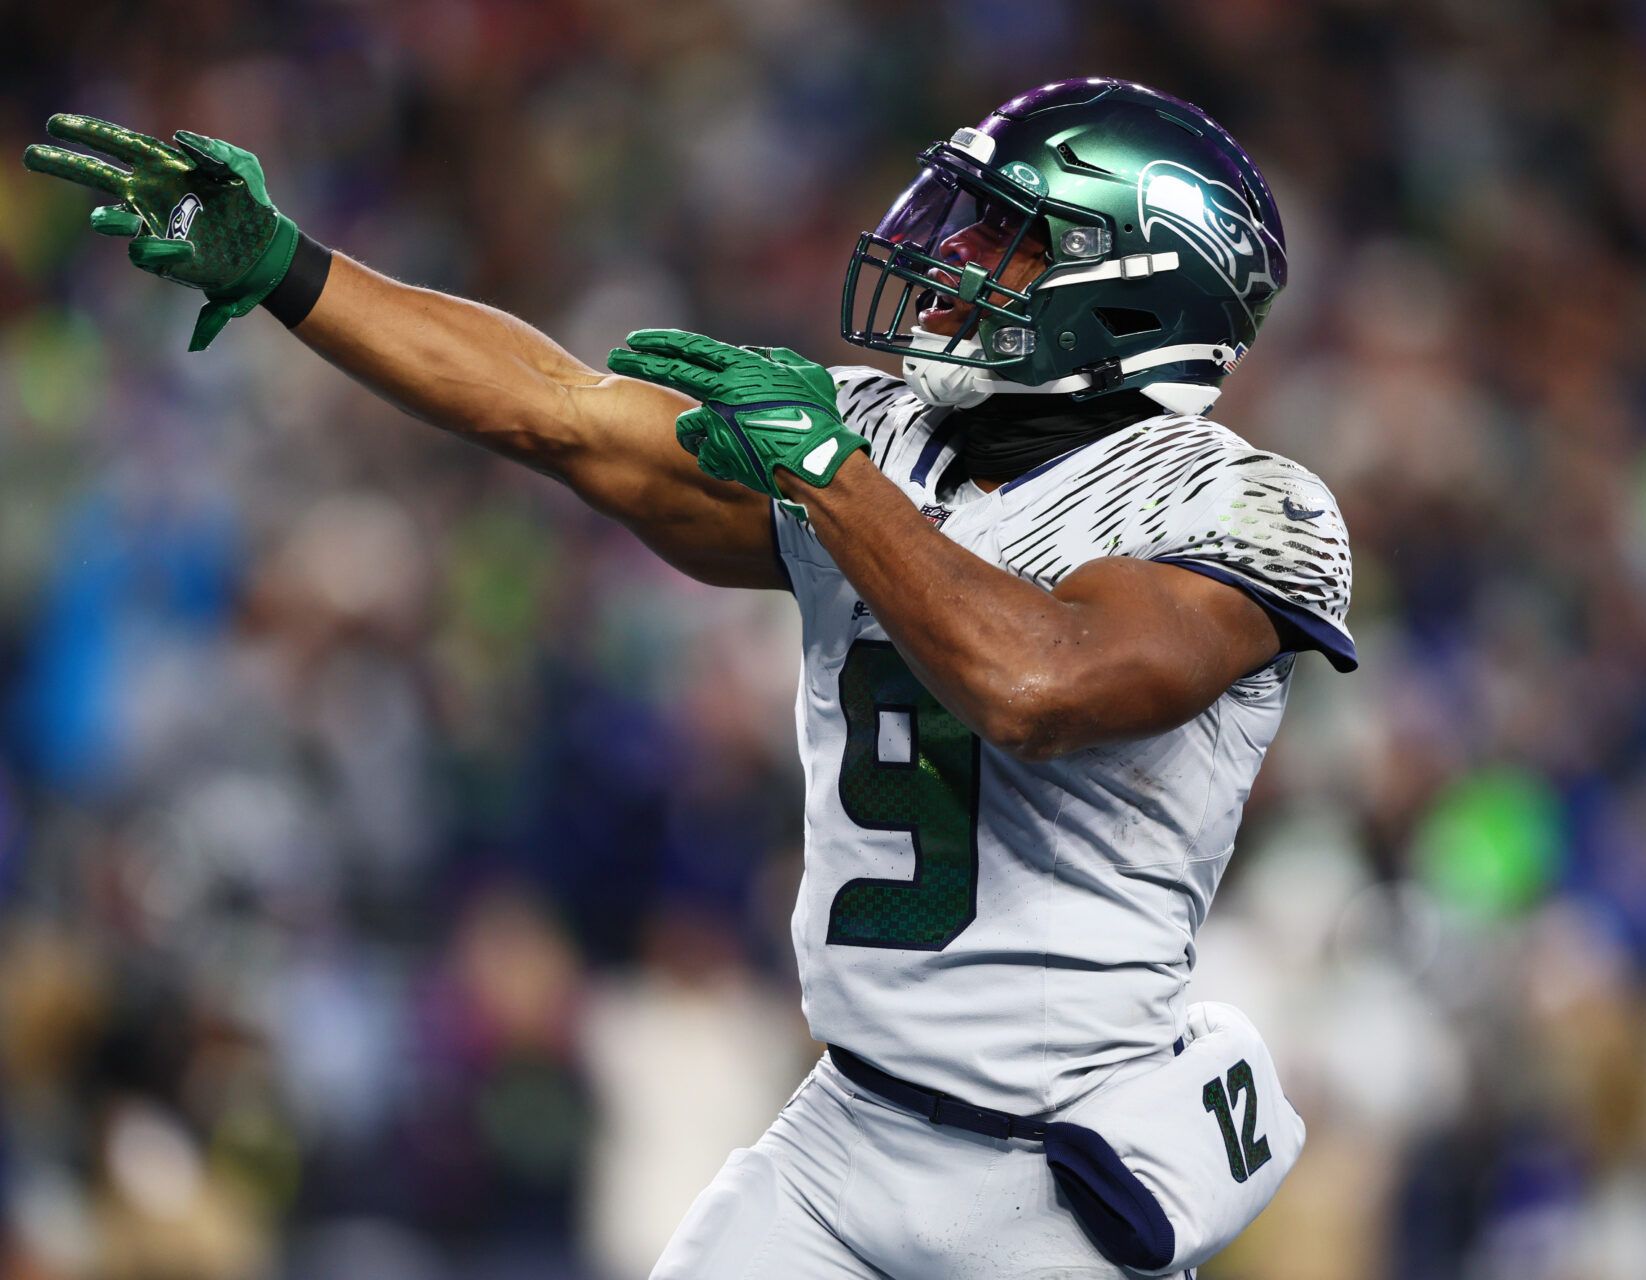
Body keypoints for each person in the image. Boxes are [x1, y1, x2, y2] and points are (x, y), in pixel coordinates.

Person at [25, 77, 1354, 1278]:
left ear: (1132, 287)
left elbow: (1043, 684)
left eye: (1007, 237)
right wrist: (285, 268)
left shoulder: (1245, 505)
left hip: (1055, 1186)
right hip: (846, 1130)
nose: (950, 261)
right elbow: (554, 408)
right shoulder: (887, 432)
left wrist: (831, 480)